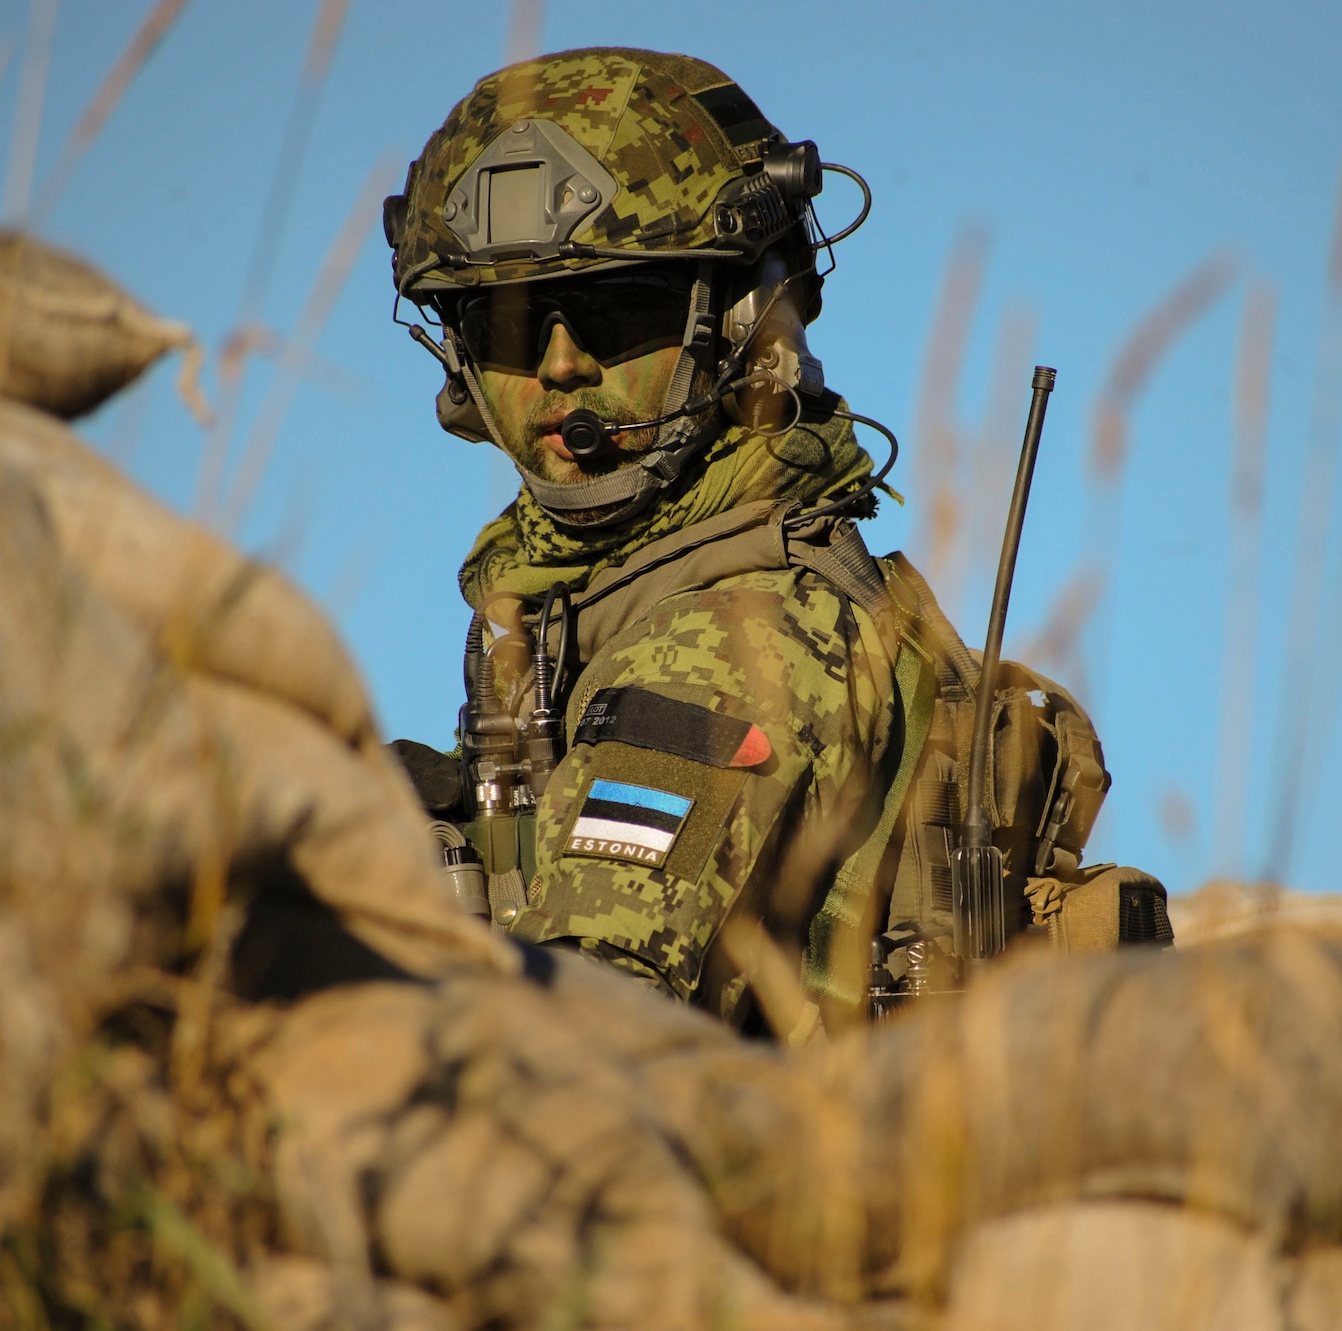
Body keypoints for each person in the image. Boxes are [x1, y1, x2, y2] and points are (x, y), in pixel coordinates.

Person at [383, 48, 1132, 1035]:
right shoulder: (584, 596)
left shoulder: (732, 639)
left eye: (615, 312)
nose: (561, 367)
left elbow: (576, 1033)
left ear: (737, 320)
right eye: (509, 325)